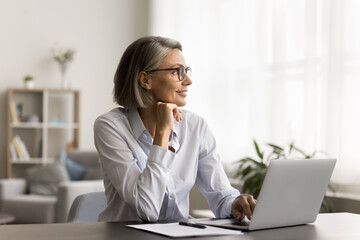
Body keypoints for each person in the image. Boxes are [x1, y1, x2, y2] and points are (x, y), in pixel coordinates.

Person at [94, 36, 256, 222]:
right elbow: (146, 210)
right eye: (176, 72)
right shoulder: (110, 127)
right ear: (145, 80)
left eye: (186, 70)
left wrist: (235, 203)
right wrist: (162, 134)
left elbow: (221, 195)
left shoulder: (196, 126)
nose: (188, 81)